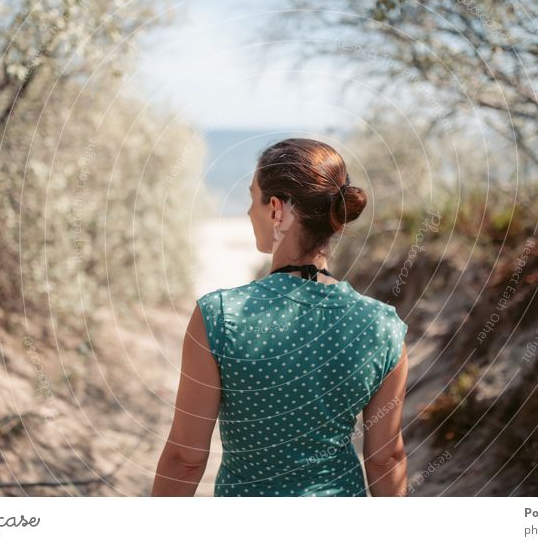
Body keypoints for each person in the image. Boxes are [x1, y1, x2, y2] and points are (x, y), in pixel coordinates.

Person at [152, 138, 409, 497]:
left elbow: (186, 457)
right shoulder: (382, 327)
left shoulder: (220, 316)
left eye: (251, 196)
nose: (246, 212)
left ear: (275, 209)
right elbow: (385, 459)